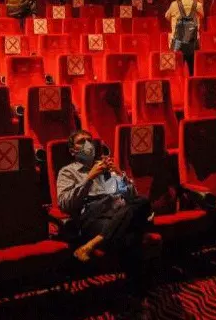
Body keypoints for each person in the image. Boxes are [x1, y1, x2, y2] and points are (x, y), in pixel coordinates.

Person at [57, 130, 154, 304]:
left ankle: (92, 244)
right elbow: (65, 204)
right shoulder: (67, 172)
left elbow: (131, 197)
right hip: (92, 215)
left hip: (117, 211)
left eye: (89, 140)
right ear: (72, 151)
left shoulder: (106, 169)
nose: (87, 144)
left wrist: (120, 175)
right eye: (81, 142)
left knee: (142, 201)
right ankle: (137, 294)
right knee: (131, 235)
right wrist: (89, 178)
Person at [165, 0, 203, 75]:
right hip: (193, 43)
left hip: (177, 43)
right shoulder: (198, 5)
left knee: (176, 71)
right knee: (193, 70)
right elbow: (202, 16)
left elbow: (167, 16)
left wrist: (176, 1)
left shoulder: (174, 5)